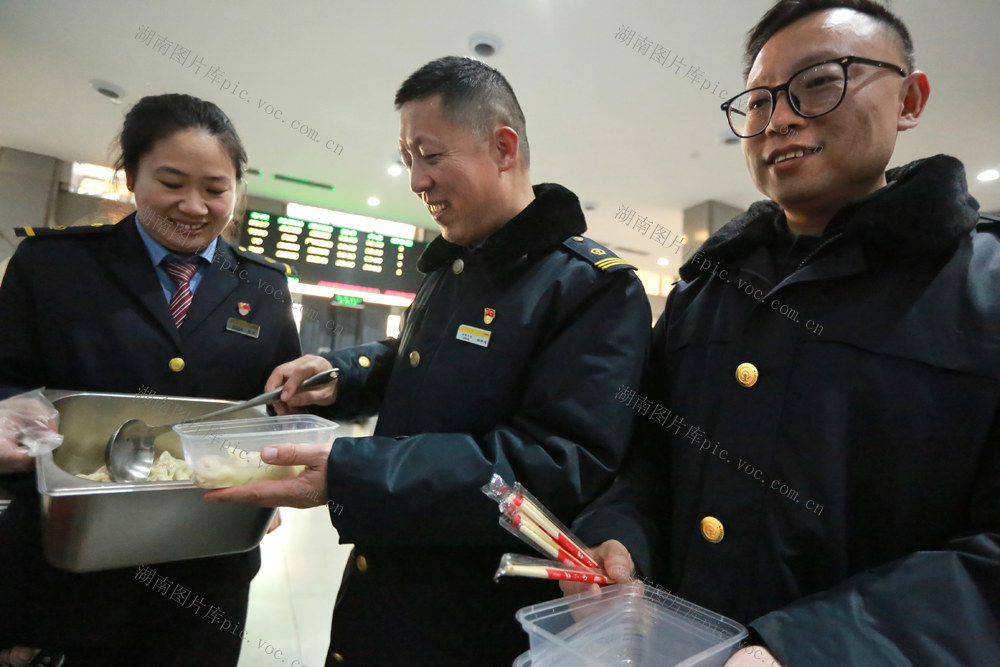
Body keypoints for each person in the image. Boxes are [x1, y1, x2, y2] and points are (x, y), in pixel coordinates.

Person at [562, 1, 1000, 664]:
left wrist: (806, 648)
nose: (779, 119)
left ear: (909, 100)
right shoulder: (706, 290)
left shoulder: (982, 285)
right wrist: (620, 537)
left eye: (819, 82)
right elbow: (646, 453)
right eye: (759, 102)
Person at [205, 56, 653, 665]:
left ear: (502, 148)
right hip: (384, 585)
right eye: (407, 159)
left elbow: (556, 462)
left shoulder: (590, 287)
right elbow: (417, 362)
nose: (417, 180)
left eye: (431, 155)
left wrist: (355, 473)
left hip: (472, 613)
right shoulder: (453, 267)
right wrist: (339, 377)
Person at [0, 93, 302, 665]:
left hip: (206, 569)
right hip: (67, 566)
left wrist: (269, 470)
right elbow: (6, 377)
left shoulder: (263, 287)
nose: (193, 206)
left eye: (215, 188)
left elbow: (272, 406)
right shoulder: (54, 266)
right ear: (131, 176)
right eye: (171, 182)